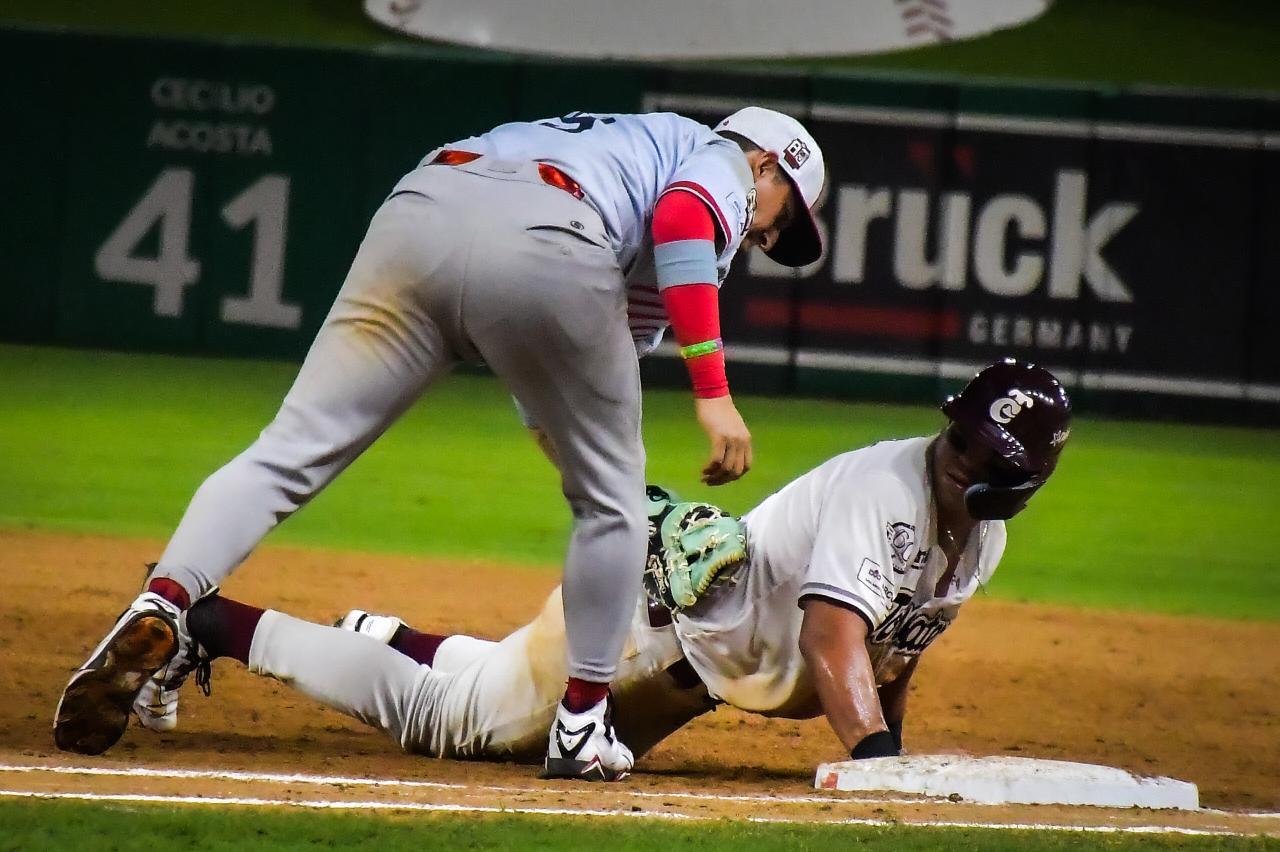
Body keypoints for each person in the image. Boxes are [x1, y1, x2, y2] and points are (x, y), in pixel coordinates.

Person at [52, 107, 828, 782]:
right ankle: (582, 726)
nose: (767, 235)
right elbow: (687, 222)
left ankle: (165, 601)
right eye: (783, 215)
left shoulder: (628, 142)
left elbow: (601, 344)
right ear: (767, 164)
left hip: (425, 205)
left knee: (288, 450)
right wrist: (715, 398)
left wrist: (567, 435)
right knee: (614, 506)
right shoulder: (721, 161)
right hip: (553, 232)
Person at [93, 359, 1072, 770]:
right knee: (449, 726)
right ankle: (207, 624)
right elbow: (833, 636)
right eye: (957, 437)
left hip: (673, 668)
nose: (952, 455)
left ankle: (384, 636)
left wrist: (887, 752)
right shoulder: (885, 489)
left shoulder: (977, 539)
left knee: (488, 683)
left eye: (978, 458)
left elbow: (896, 648)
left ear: (1014, 485)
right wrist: (873, 766)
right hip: (647, 630)